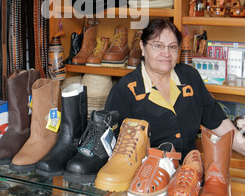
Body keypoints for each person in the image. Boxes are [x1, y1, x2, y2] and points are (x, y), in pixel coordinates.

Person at [105, 19, 245, 160]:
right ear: (142, 46)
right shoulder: (124, 90)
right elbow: (113, 147)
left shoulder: (190, 77)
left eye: (172, 47)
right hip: (146, 176)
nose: (166, 53)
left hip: (189, 173)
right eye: (158, 46)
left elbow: (217, 121)